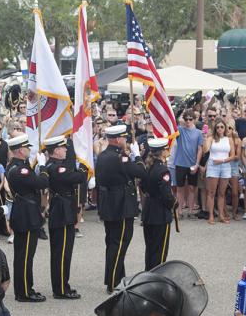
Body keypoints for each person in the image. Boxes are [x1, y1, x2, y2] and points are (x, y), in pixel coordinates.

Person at [95, 125, 147, 293]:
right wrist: (137, 155)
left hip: (109, 204)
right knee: (120, 243)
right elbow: (141, 172)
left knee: (112, 243)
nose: (126, 140)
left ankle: (115, 278)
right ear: (117, 139)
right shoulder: (119, 157)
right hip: (121, 205)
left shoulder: (103, 155)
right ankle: (114, 282)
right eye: (124, 138)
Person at [6, 134, 48, 302]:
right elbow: (41, 183)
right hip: (27, 214)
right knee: (25, 255)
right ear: (19, 150)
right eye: (27, 147)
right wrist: (43, 167)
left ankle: (25, 289)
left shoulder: (18, 166)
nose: (29, 150)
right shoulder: (21, 169)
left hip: (24, 212)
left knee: (23, 254)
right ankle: (24, 292)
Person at [44, 135, 87, 299]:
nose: (66, 150)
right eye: (63, 148)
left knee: (63, 251)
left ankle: (63, 285)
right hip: (61, 212)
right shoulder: (56, 168)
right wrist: (84, 165)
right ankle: (61, 289)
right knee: (61, 252)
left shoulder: (57, 166)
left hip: (63, 209)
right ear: (55, 151)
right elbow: (78, 178)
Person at [141, 138, 177, 271]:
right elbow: (167, 195)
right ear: (163, 152)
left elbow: (143, 187)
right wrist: (174, 203)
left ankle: (148, 276)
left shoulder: (148, 167)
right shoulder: (163, 171)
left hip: (148, 210)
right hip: (160, 213)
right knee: (160, 250)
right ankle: (156, 279)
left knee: (150, 248)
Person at [174, 109, 203, 219]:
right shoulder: (179, 130)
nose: (188, 121)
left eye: (190, 119)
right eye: (186, 119)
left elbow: (200, 149)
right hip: (180, 163)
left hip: (192, 164)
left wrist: (197, 164)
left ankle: (190, 210)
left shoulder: (199, 133)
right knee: (179, 188)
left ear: (194, 120)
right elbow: (175, 121)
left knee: (192, 188)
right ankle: (179, 210)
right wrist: (183, 116)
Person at [204, 118, 235, 224]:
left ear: (225, 128)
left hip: (225, 165)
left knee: (222, 193)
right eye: (217, 127)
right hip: (213, 166)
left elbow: (233, 156)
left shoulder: (229, 139)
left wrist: (222, 160)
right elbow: (205, 150)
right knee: (211, 192)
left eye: (222, 127)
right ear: (215, 128)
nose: (220, 129)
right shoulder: (211, 138)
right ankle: (211, 215)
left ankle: (221, 215)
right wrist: (206, 139)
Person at [227, 122, 242, 220]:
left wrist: (226, 158)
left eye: (230, 128)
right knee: (222, 191)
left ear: (233, 129)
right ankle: (224, 212)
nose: (228, 130)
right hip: (223, 165)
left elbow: (237, 157)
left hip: (233, 166)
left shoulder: (237, 140)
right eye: (226, 127)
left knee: (235, 192)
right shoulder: (221, 139)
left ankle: (234, 212)